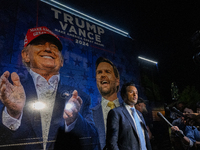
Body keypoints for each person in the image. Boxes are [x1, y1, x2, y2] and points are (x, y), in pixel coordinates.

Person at [0, 26, 98, 150]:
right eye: (40, 44)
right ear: (25, 55)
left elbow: (93, 142)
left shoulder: (81, 97)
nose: (47, 49)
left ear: (61, 61)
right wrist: (12, 114)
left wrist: (73, 120)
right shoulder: (7, 91)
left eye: (54, 47)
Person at [105, 82, 152, 150]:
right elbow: (112, 142)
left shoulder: (139, 114)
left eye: (136, 92)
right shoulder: (116, 113)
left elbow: (146, 139)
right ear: (124, 95)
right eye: (131, 92)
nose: (135, 94)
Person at [91, 57, 121, 150]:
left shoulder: (129, 111)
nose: (103, 75)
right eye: (99, 72)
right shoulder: (90, 114)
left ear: (117, 81)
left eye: (107, 71)